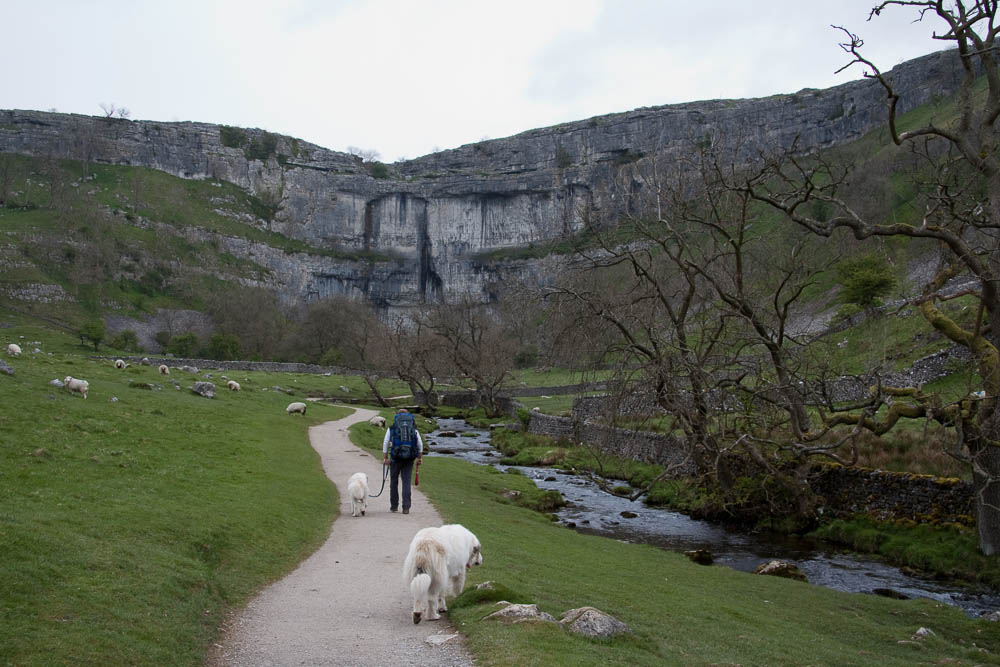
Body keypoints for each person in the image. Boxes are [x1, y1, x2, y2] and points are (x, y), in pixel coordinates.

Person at [382, 408, 423, 514]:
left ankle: (394, 506)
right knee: (406, 482)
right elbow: (420, 444)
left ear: (397, 417)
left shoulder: (392, 428)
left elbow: (386, 442)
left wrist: (385, 457)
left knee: (394, 482)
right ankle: (406, 508)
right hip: (409, 458)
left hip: (395, 458)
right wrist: (419, 458)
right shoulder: (413, 428)